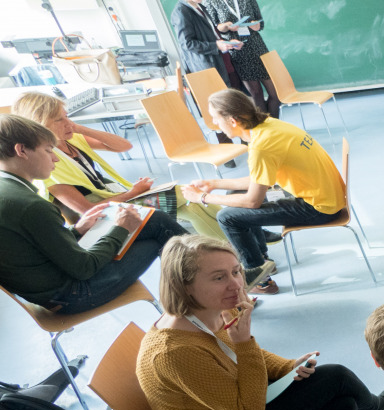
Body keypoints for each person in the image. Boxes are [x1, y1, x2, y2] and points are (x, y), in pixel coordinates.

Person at [135, 235, 384, 410]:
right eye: (219, 277)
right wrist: (245, 341)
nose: (236, 284)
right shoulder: (175, 351)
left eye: (236, 271)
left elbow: (238, 355)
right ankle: (371, 407)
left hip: (229, 408)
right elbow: (250, 409)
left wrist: (288, 366)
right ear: (184, 286)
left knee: (343, 404)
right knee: (335, 376)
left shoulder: (211, 308)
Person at [0, 114, 186, 314]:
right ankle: (208, 285)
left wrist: (76, 229)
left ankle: (207, 281)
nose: (54, 158)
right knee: (160, 232)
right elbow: (84, 267)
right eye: (48, 151)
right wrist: (121, 229)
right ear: (21, 150)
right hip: (73, 294)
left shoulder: (8, 191)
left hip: (48, 287)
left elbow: (38, 244)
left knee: (155, 222)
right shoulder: (31, 206)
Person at [181, 89, 348, 294]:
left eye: (216, 119)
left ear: (233, 121)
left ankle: (261, 281)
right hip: (324, 195)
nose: (214, 124)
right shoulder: (269, 126)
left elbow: (253, 201)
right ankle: (263, 259)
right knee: (231, 199)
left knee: (227, 217)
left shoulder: (261, 146)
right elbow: (261, 180)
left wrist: (202, 197)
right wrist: (216, 183)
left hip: (318, 207)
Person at [11, 92, 225, 240]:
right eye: (59, 120)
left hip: (124, 198)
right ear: (39, 124)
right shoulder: (46, 167)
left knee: (194, 207)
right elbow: (87, 210)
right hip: (110, 212)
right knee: (189, 194)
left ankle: (239, 250)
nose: (68, 123)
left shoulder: (71, 139)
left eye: (67, 117)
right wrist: (132, 192)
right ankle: (241, 239)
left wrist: (77, 128)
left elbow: (123, 145)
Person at [169, 0, 243, 146]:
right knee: (217, 109)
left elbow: (210, 34)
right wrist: (215, 46)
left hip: (216, 61)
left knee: (228, 105)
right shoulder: (180, 12)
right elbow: (187, 44)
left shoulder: (199, 7)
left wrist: (226, 41)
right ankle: (227, 151)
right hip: (202, 68)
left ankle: (243, 141)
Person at [203, 0, 280, 118]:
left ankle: (275, 128)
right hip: (237, 50)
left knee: (276, 93)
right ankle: (263, 133)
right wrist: (225, 27)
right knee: (256, 95)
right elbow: (213, 28)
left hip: (257, 46)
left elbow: (260, 21)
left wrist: (256, 25)